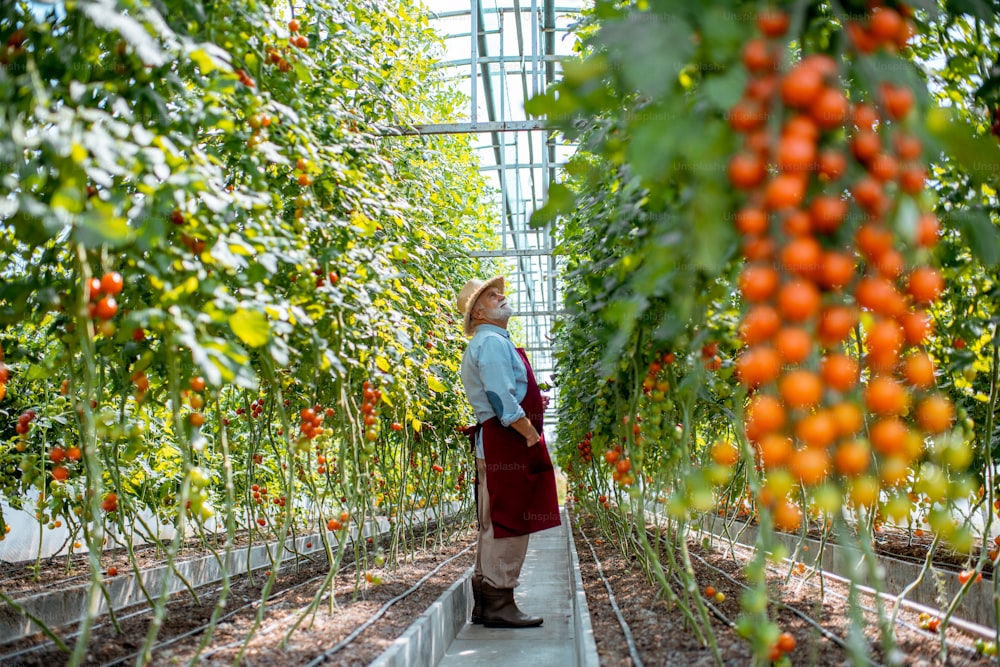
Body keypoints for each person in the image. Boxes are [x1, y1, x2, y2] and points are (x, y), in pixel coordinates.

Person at [456, 275, 560, 629]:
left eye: (499, 292)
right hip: (508, 440)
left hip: (498, 442)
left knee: (493, 521)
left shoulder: (490, 342)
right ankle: (500, 601)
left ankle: (487, 603)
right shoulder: (492, 344)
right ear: (478, 315)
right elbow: (502, 400)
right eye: (490, 296)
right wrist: (530, 433)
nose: (500, 296)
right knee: (510, 523)